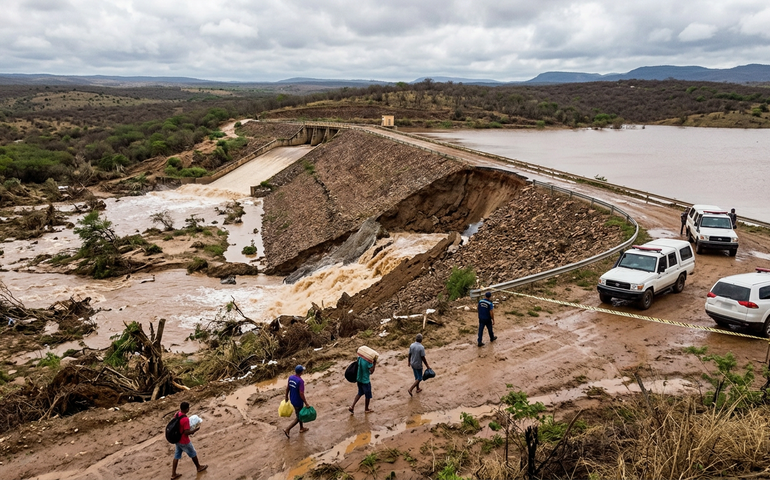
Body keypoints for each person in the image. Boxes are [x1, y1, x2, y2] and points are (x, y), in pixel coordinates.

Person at [171, 401, 207, 480]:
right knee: (193, 453)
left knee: (176, 456)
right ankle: (198, 467)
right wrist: (194, 430)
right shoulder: (185, 419)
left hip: (177, 439)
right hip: (184, 441)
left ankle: (173, 474)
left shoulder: (177, 414)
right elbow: (186, 432)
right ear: (187, 409)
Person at [283, 365, 310, 438]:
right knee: (299, 417)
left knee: (299, 414)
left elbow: (287, 388)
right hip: (298, 401)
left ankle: (301, 428)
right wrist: (306, 403)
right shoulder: (300, 381)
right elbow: (301, 393)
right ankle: (287, 429)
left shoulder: (291, 378)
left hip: (292, 399)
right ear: (301, 372)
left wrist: (286, 396)